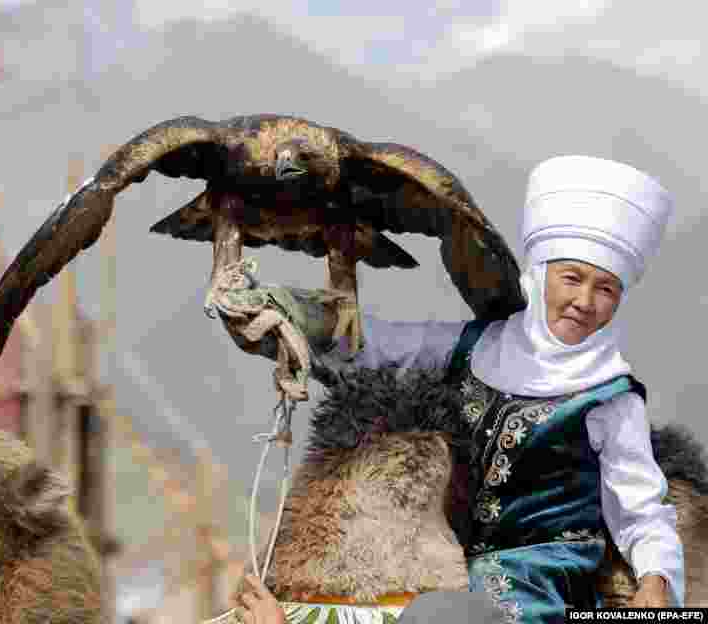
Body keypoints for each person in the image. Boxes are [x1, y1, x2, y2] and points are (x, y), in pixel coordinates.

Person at [226, 155, 684, 623]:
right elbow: (372, 347)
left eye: (606, 289)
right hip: (445, 561)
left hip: (545, 586)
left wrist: (656, 580)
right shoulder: (474, 345)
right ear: (541, 272)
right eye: (572, 278)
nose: (585, 302)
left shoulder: (612, 396)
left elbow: (642, 509)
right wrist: (288, 313)